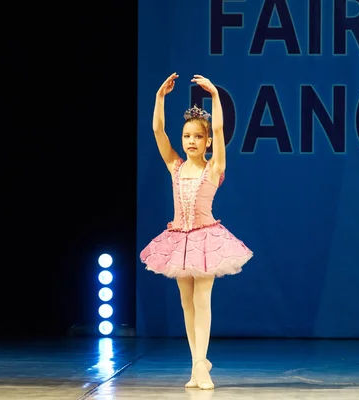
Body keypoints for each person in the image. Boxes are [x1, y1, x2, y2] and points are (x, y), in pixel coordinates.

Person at [140, 72, 253, 390]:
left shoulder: (214, 167)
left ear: (207, 142)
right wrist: (160, 98)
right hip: (178, 239)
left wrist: (215, 96)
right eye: (187, 136)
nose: (190, 141)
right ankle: (196, 363)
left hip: (206, 239)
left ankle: (202, 368)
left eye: (197, 137)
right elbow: (157, 130)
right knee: (186, 303)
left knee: (202, 301)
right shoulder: (175, 166)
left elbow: (219, 127)